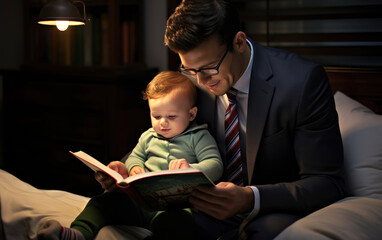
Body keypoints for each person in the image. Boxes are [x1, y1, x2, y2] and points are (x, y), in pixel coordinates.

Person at [162, 0, 345, 239]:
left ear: (238, 42)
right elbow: (165, 136)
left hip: (269, 210)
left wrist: (250, 197)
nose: (200, 82)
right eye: (189, 70)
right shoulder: (194, 78)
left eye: (209, 68)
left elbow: (328, 183)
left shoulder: (302, 82)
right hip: (204, 210)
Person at [37, 71, 223, 240]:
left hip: (174, 206)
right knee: (102, 203)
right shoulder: (148, 136)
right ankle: (76, 233)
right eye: (156, 116)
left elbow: (215, 164)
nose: (163, 123)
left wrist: (191, 170)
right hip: (140, 202)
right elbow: (136, 156)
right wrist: (132, 167)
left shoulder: (198, 136)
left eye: (172, 117)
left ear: (191, 114)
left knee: (177, 222)